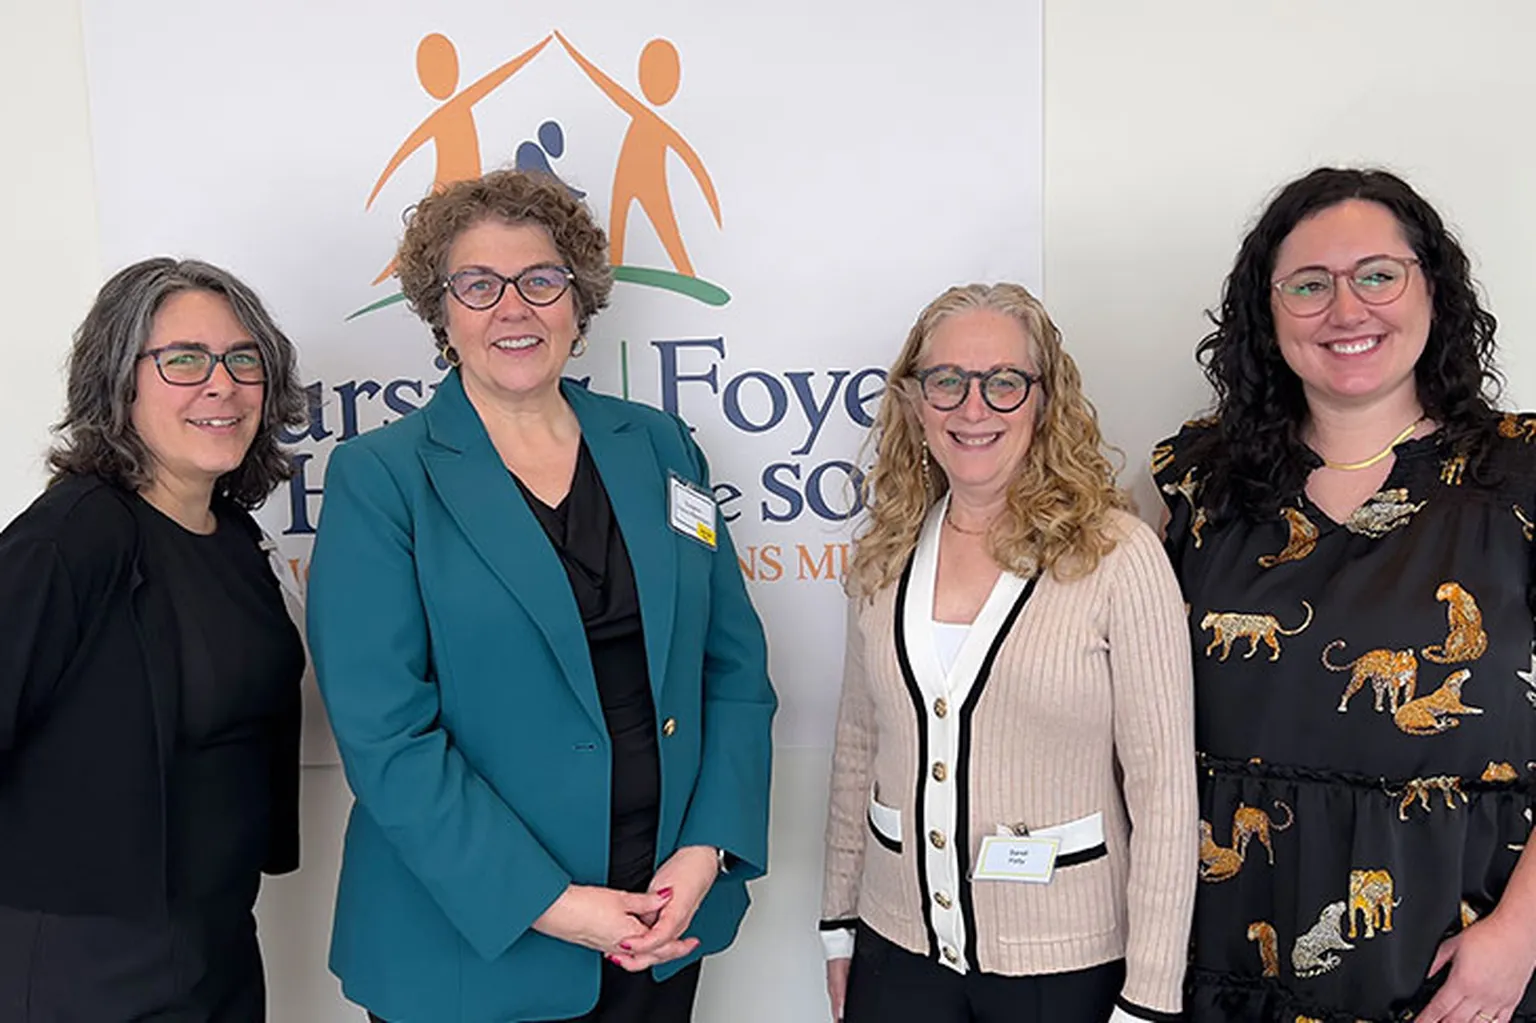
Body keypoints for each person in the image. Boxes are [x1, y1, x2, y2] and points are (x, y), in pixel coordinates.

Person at [307, 168, 776, 1023]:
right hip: (469, 943)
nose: (512, 307)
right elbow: (386, 737)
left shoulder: (663, 446)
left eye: (540, 280)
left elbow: (734, 668)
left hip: (658, 921)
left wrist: (707, 850)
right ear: (441, 312)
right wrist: (556, 905)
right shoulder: (382, 479)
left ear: (579, 302)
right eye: (478, 285)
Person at [1156, 166, 1536, 1022]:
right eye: (1309, 284)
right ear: (1268, 309)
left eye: (1377, 274)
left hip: (1461, 961)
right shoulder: (1199, 482)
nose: (1346, 309)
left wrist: (1521, 933)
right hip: (1224, 951)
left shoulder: (1520, 475)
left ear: (1432, 289)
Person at [820, 282, 1197, 1023]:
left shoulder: (1119, 557)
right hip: (898, 956)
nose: (972, 408)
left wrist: (1149, 995)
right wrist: (839, 927)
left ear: (1044, 400)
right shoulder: (886, 553)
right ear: (914, 401)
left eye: (1004, 383)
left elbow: (1165, 793)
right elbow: (857, 749)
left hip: (1065, 970)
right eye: (947, 381)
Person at [0, 257, 307, 1020]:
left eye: (244, 359)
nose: (222, 383)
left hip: (217, 944)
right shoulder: (77, 533)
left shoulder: (233, 534)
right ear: (119, 381)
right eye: (183, 360)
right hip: (88, 961)